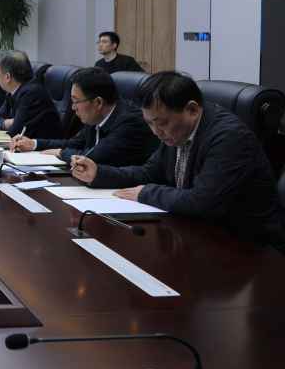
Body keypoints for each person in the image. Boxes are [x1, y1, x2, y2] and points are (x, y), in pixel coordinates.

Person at [71, 71, 285, 252]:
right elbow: (149, 172)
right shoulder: (177, 131)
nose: (156, 132)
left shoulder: (229, 137)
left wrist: (146, 192)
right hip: (200, 235)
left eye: (161, 123)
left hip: (249, 248)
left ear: (192, 110)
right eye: (150, 123)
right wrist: (100, 173)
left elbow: (202, 201)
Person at [12, 67, 157, 165]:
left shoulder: (130, 122)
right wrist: (34, 144)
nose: (72, 108)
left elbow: (94, 156)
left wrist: (61, 153)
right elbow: (75, 143)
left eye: (76, 101)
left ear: (98, 102)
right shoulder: (96, 117)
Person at [0, 50, 61, 138]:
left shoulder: (31, 94)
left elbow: (15, 132)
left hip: (42, 145)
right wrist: (6, 123)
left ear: (7, 77)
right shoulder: (13, 92)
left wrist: (9, 124)